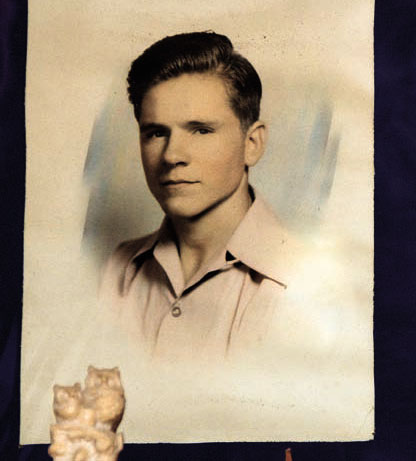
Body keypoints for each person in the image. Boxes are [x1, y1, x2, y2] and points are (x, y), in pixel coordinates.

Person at [100, 31, 302, 361]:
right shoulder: (117, 270)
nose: (172, 156)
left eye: (201, 130)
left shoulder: (301, 280)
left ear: (252, 144)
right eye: (156, 133)